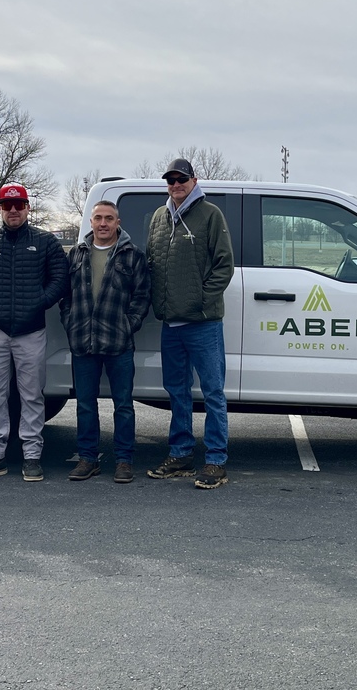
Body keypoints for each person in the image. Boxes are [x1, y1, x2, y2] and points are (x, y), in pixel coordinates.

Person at [0, 183, 69, 483]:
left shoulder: (45, 242)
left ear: (27, 207)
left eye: (19, 205)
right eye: (8, 206)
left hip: (31, 331)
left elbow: (61, 278)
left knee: (32, 396)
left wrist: (39, 303)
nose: (14, 211)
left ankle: (32, 456)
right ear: (0, 210)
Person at [145, 158, 235, 489]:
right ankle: (181, 455)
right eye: (170, 179)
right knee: (177, 391)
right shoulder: (158, 218)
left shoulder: (210, 214)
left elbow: (225, 265)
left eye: (181, 178)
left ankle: (216, 461)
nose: (175, 184)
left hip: (203, 324)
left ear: (194, 180)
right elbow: (150, 264)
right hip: (171, 325)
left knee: (213, 392)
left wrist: (201, 302)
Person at [59, 200, 150, 484]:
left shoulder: (132, 256)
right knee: (85, 404)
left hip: (118, 342)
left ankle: (124, 460)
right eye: (98, 218)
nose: (103, 223)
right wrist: (71, 322)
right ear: (91, 222)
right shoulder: (75, 254)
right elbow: (65, 295)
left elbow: (142, 297)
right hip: (83, 342)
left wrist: (128, 325)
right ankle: (88, 458)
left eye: (109, 218)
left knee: (123, 404)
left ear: (118, 223)